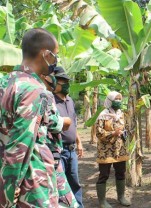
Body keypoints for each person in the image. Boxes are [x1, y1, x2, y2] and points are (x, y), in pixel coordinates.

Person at [0, 28, 73, 207]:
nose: (56, 60)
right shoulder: (34, 90)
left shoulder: (5, 82)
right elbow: (20, 148)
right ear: (45, 54)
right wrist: (6, 198)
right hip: (32, 184)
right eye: (55, 55)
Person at [53, 66, 84, 207]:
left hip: (71, 151)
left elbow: (74, 124)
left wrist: (79, 142)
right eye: (63, 82)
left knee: (75, 182)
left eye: (67, 81)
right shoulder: (51, 101)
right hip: (58, 150)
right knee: (59, 185)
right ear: (55, 83)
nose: (67, 84)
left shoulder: (70, 101)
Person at [95, 91, 131, 208]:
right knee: (104, 175)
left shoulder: (122, 114)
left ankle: (121, 197)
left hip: (120, 149)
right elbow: (99, 133)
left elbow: (125, 129)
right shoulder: (103, 115)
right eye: (116, 99)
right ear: (110, 101)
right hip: (106, 150)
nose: (119, 102)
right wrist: (113, 133)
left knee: (121, 173)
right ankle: (102, 201)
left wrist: (123, 133)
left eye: (120, 99)